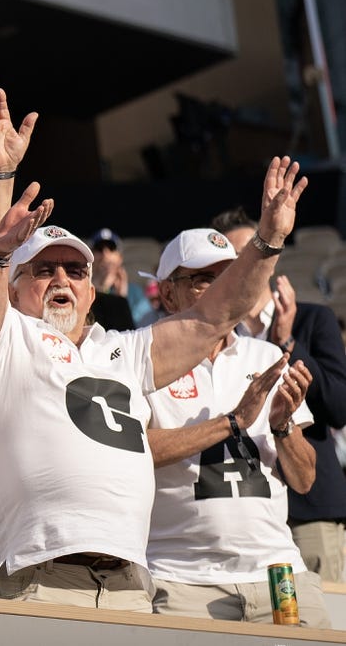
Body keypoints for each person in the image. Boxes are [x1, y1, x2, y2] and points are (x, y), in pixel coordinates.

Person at [0, 86, 307, 610]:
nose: (61, 279)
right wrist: (1, 178)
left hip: (130, 579)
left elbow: (215, 316)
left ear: (93, 291)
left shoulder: (123, 350)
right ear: (11, 285)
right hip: (40, 574)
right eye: (43, 269)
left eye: (75, 270)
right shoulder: (6, 339)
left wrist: (267, 243)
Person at [144, 228, 330, 627]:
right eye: (203, 279)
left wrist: (282, 428)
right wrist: (231, 423)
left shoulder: (266, 356)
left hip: (277, 572)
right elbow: (138, 452)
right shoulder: (141, 358)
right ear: (167, 292)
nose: (220, 289)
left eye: (228, 277)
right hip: (182, 580)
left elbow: (304, 479)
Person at [212, 206, 346, 583]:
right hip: (243, 520)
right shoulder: (213, 337)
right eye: (232, 258)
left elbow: (337, 406)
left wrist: (286, 343)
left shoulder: (313, 320)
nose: (244, 264)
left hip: (310, 512)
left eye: (255, 251)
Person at [90, 228, 153, 327]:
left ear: (120, 258)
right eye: (99, 249)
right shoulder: (83, 289)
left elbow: (145, 327)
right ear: (90, 257)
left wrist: (121, 299)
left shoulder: (134, 292)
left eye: (111, 248)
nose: (105, 254)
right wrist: (101, 289)